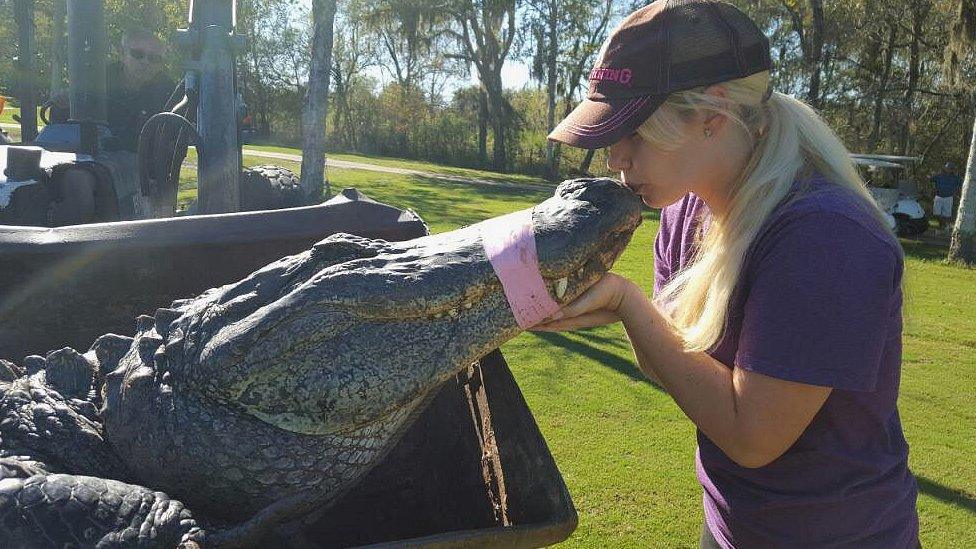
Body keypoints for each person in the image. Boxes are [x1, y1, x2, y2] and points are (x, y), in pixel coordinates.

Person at [536, 1, 919, 547]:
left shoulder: (826, 237)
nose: (614, 157)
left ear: (713, 116)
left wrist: (628, 305)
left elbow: (753, 437)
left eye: (635, 134)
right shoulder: (684, 212)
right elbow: (682, 366)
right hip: (733, 526)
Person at [931, 162, 963, 233]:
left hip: (948, 198)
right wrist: (933, 189)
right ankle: (945, 225)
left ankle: (943, 228)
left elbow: (962, 183)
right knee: (936, 214)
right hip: (938, 196)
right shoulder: (939, 176)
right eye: (947, 168)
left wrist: (957, 192)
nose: (948, 169)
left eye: (950, 168)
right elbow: (931, 179)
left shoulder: (956, 178)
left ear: (952, 170)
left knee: (947, 215)